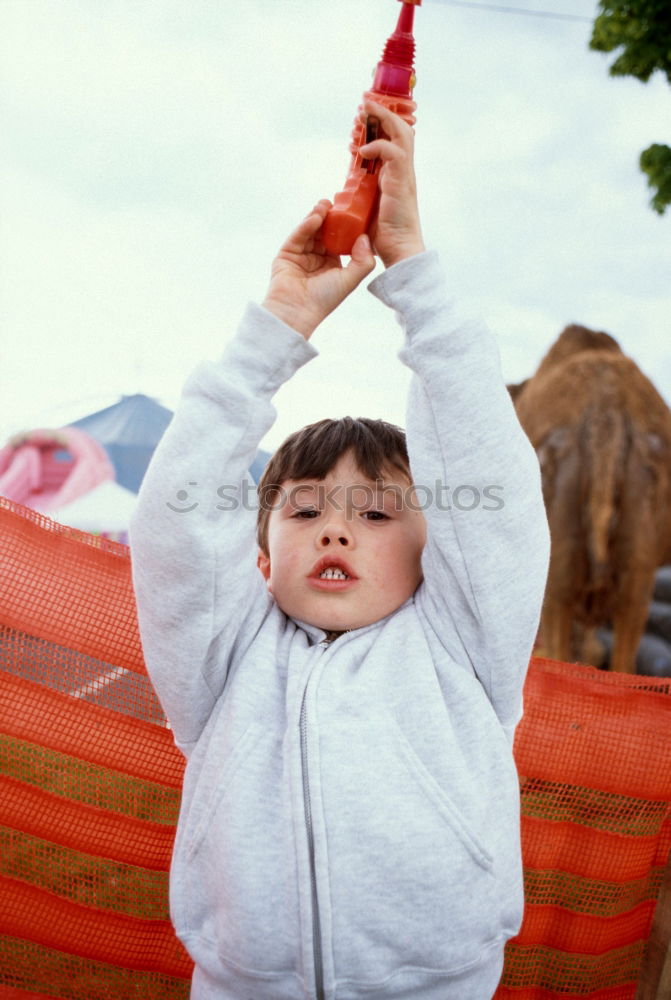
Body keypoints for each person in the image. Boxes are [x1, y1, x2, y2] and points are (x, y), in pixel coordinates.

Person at [130, 99, 550, 1000]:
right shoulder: (222, 659)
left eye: (375, 515)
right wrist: (277, 325)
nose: (334, 529)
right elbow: (172, 522)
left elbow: (497, 498)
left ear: (437, 550)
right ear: (259, 551)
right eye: (306, 510)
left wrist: (415, 275)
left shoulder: (465, 650)